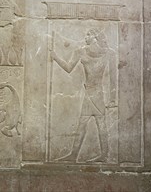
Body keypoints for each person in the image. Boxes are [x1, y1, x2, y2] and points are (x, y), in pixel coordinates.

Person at [50, 28, 117, 162]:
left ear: (95, 37)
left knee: (100, 123)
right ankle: (75, 155)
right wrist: (56, 57)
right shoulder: (80, 51)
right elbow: (69, 68)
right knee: (84, 124)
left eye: (88, 34)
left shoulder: (109, 54)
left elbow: (113, 78)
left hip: (97, 93)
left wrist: (113, 99)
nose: (85, 37)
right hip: (89, 93)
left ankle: (103, 155)